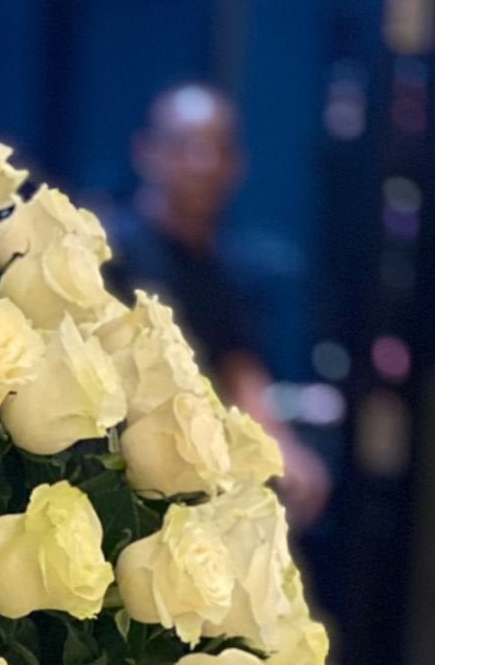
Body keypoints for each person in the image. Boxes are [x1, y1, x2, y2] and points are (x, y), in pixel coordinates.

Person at [105, 83, 330, 527]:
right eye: (187, 146)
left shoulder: (225, 268)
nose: (203, 164)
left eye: (218, 149)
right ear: (147, 151)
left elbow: (240, 367)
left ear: (236, 164)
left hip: (199, 468)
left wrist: (282, 448)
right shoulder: (111, 250)